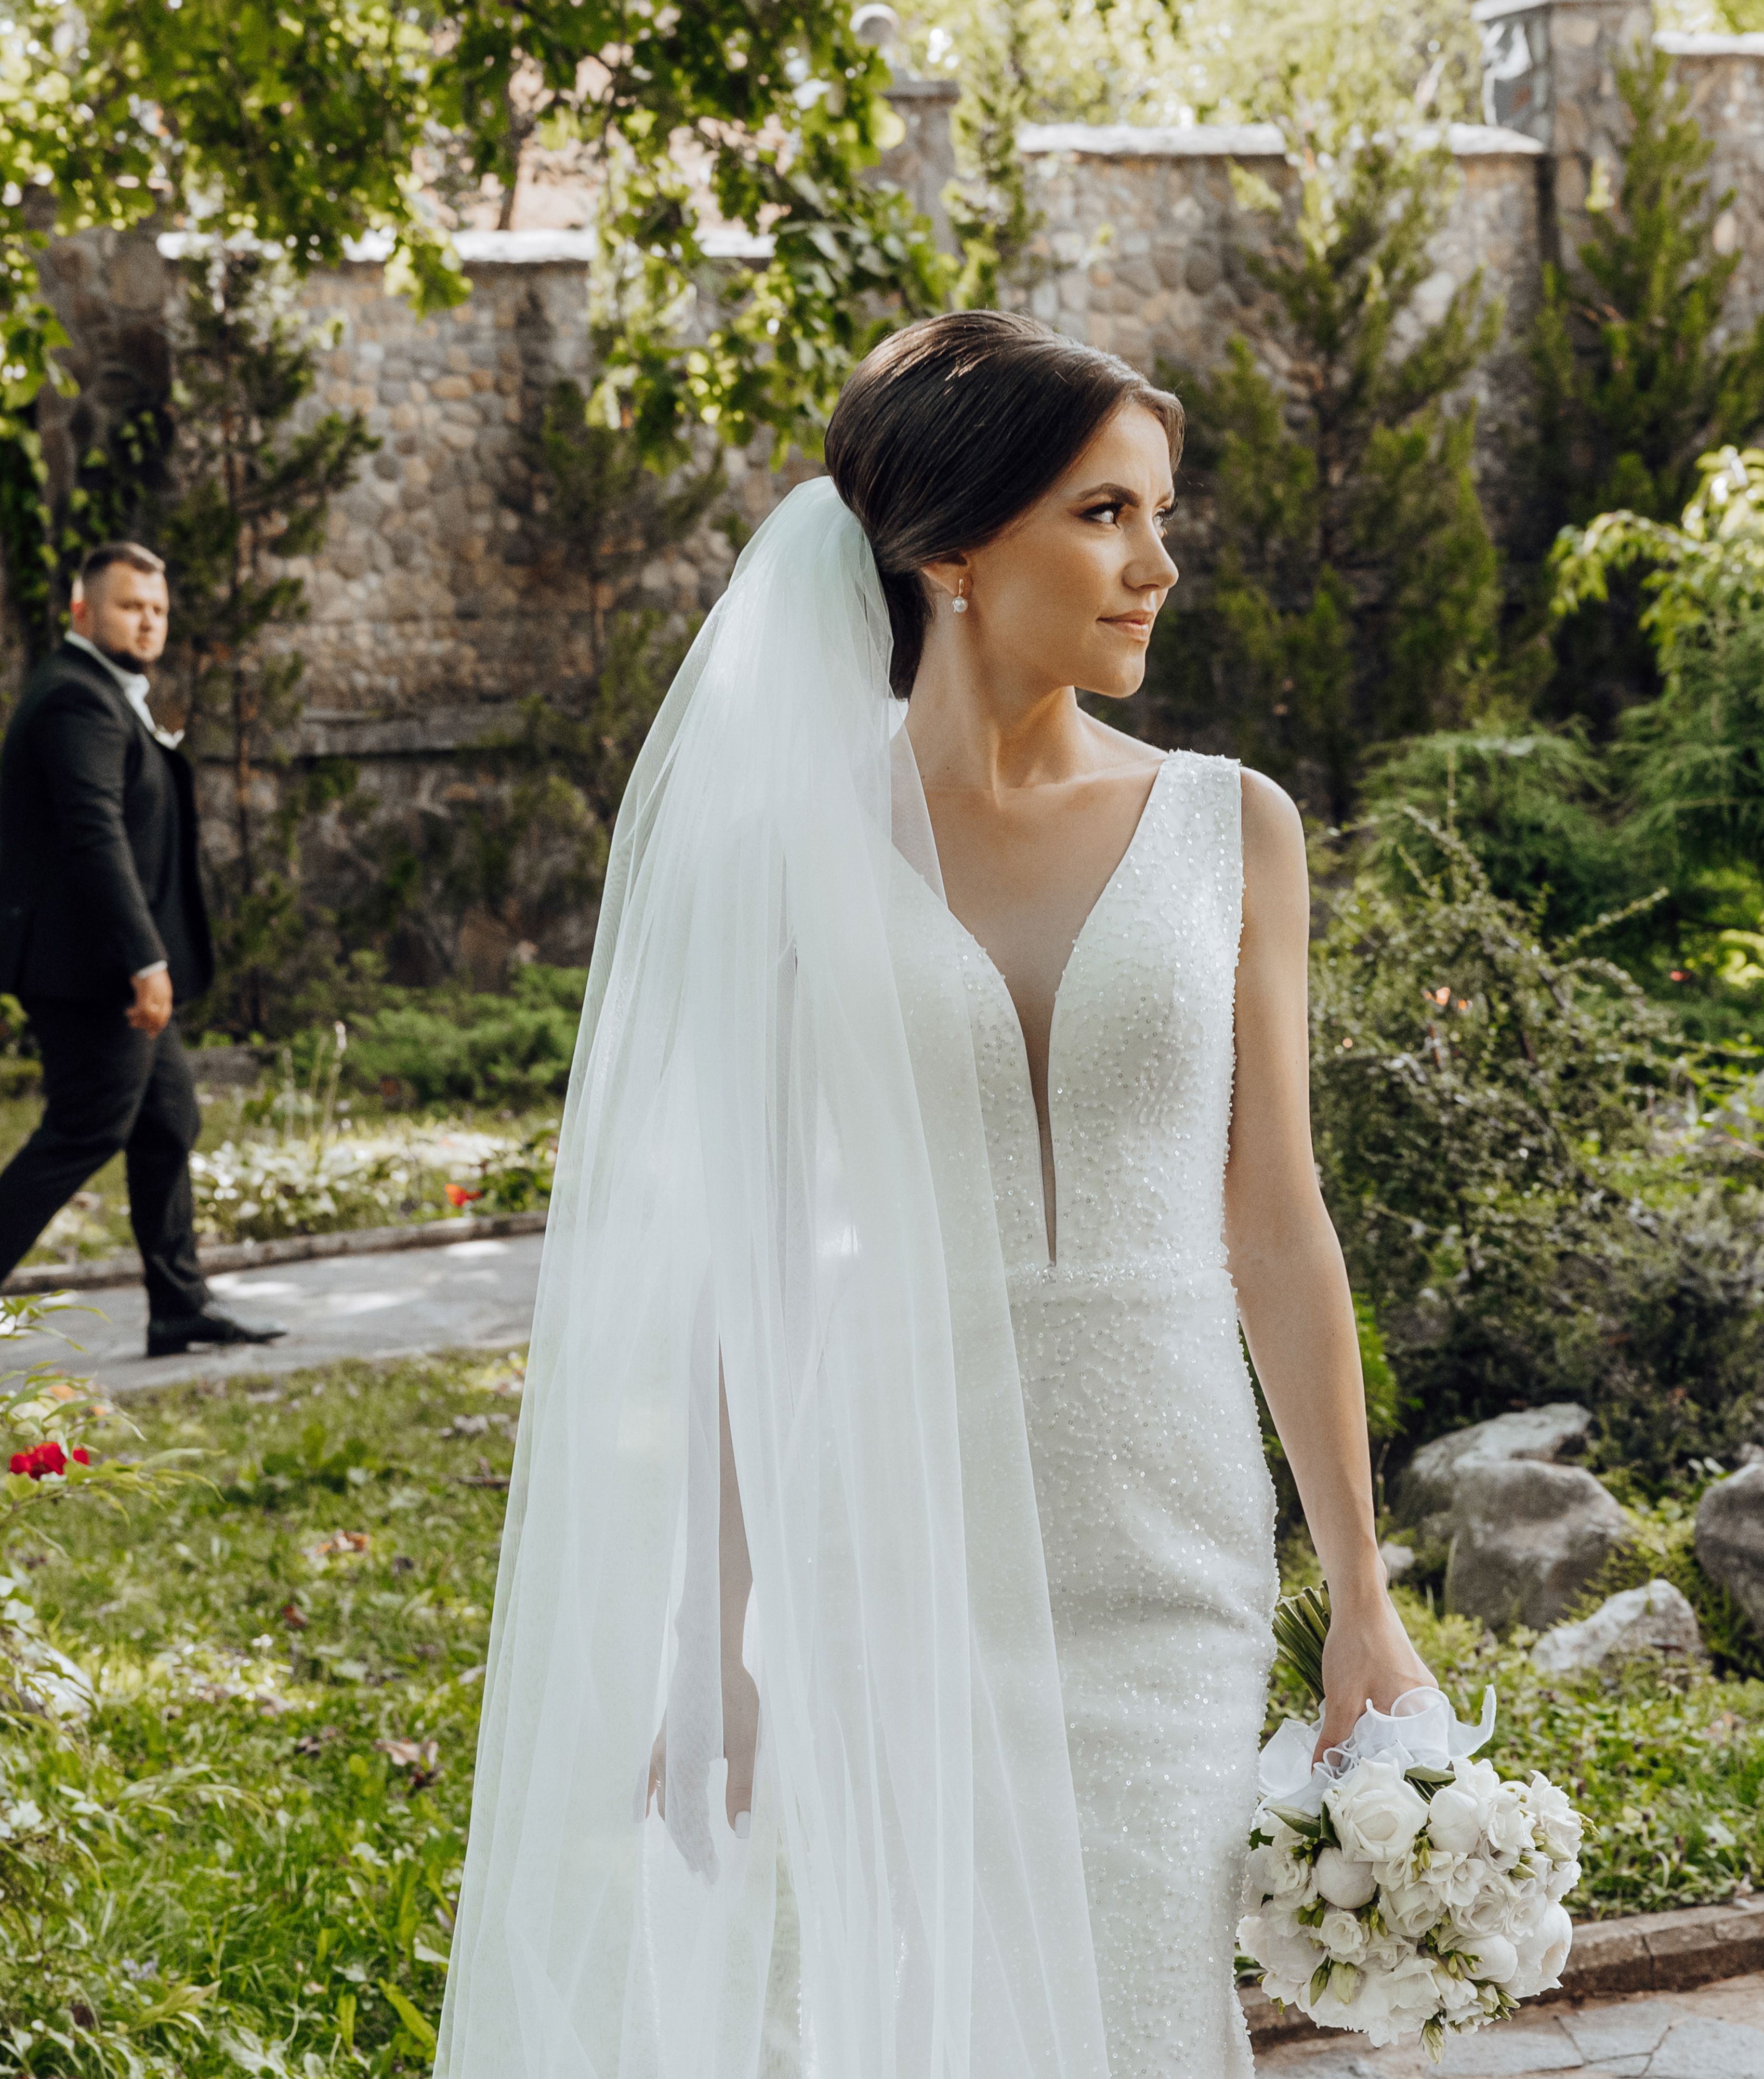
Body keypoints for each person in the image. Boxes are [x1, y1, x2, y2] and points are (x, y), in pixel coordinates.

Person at [436, 312, 1433, 2077]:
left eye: (1158, 513)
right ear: (954, 550)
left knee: (1145, 2007)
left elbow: (1277, 1224)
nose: (1159, 564)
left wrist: (1362, 1592)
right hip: (891, 1545)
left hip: (1166, 1542)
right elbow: (749, 1274)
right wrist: (715, 1639)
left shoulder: (1235, 830)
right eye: (1105, 515)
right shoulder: (788, 846)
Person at [0, 543, 283, 1360]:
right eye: (129, 606)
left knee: (167, 1117)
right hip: (93, 968)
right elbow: (92, 837)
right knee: (86, 1128)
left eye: (158, 609)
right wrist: (146, 962)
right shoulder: (78, 699)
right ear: (83, 612)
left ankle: (179, 1305)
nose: (147, 622)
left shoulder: (104, 693)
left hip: (106, 958)